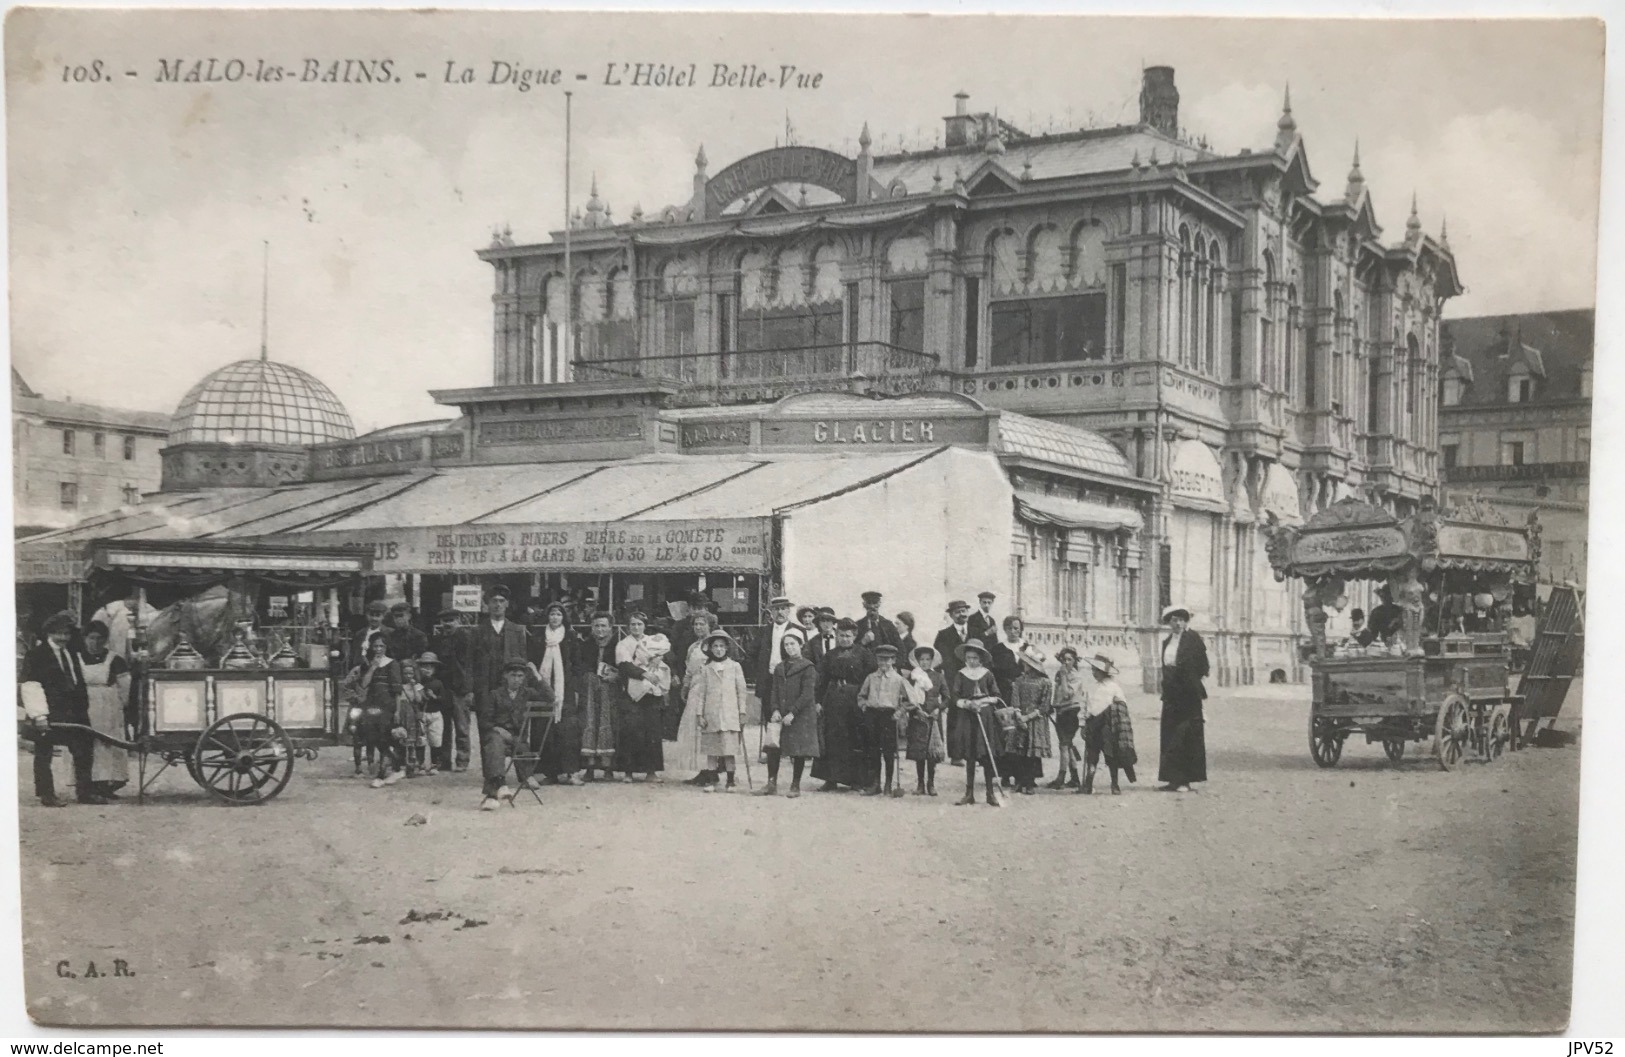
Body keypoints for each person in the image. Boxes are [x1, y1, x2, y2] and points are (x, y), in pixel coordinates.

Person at [19, 611, 102, 807]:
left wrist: (83, 705)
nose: (63, 638)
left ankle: (85, 792)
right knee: (44, 753)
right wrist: (39, 716)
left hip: (75, 711)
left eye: (66, 634)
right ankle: (47, 795)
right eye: (59, 634)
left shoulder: (71, 653)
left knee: (84, 750)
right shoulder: (37, 655)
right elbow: (30, 685)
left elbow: (77, 680)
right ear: (49, 633)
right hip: (50, 711)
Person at [478, 660, 554, 810]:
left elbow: (550, 697)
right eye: (513, 675)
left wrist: (537, 675)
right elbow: (484, 721)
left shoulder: (527, 693)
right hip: (498, 736)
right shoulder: (495, 695)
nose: (517, 679)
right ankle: (500, 785)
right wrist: (498, 729)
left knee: (494, 746)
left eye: (520, 676)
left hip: (518, 742)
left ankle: (494, 792)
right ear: (506, 676)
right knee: (494, 743)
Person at [810, 618, 874, 792]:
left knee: (855, 737)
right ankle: (830, 779)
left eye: (848, 635)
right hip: (834, 699)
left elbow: (871, 679)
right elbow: (820, 680)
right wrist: (817, 701)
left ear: (854, 636)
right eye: (841, 635)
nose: (844, 639)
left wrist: (866, 700)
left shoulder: (864, 653)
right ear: (836, 635)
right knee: (832, 737)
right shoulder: (830, 655)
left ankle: (856, 780)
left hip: (855, 698)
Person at [470, 586, 529, 771]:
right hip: (486, 688)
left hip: (511, 688)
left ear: (507, 604)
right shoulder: (478, 631)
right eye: (493, 601)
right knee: (487, 729)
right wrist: (471, 690)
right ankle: (492, 774)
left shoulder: (517, 630)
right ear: (487, 605)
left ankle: (523, 774)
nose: (497, 605)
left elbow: (523, 660)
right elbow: (470, 663)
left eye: (501, 601)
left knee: (518, 727)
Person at [1157, 606, 1209, 793]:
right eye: (1174, 620)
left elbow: (1204, 666)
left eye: (1181, 620)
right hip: (1171, 694)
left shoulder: (1193, 640)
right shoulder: (1167, 642)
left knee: (1186, 736)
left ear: (1186, 622)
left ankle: (1185, 780)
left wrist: (1191, 682)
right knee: (1170, 735)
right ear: (1169, 622)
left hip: (1188, 695)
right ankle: (1172, 779)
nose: (1177, 623)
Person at [77, 620, 131, 799]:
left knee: (107, 743)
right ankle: (88, 784)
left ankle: (108, 783)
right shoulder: (76, 658)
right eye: (91, 638)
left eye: (100, 639)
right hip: (84, 703)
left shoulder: (114, 659)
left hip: (108, 706)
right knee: (88, 744)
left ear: (106, 640)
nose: (95, 642)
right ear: (85, 639)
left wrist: (121, 706)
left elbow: (125, 686)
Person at [689, 630, 749, 793]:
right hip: (711, 714)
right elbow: (702, 693)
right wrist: (700, 714)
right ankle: (711, 780)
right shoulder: (707, 668)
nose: (718, 649)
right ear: (710, 648)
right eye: (715, 646)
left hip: (730, 714)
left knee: (729, 750)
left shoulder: (735, 666)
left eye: (722, 646)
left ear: (727, 648)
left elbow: (741, 691)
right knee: (711, 751)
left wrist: (742, 712)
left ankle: (730, 781)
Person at [948, 639, 1004, 808]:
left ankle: (990, 793)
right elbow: (955, 696)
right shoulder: (961, 674)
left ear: (980, 659)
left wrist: (983, 702)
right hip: (968, 717)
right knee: (970, 754)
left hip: (985, 717)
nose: (971, 661)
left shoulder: (987, 674)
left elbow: (996, 695)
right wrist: (967, 704)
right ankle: (969, 793)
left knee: (987, 755)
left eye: (975, 658)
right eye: (968, 657)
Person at [751, 596, 799, 792]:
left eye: (783, 608)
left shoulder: (798, 631)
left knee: (794, 730)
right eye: (776, 609)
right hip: (770, 684)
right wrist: (761, 674)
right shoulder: (764, 631)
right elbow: (752, 653)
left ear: (789, 611)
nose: (780, 612)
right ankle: (772, 781)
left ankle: (795, 784)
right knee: (772, 730)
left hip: (792, 684)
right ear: (770, 611)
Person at [613, 613, 666, 781]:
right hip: (631, 691)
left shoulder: (653, 641)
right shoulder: (623, 644)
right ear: (628, 626)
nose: (636, 627)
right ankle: (628, 771)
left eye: (639, 624)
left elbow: (668, 654)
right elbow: (625, 666)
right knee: (630, 730)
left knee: (652, 731)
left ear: (645, 625)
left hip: (651, 692)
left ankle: (651, 771)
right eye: (633, 624)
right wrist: (644, 674)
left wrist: (660, 657)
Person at [766, 630, 819, 797]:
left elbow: (807, 694)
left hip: (800, 715)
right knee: (773, 747)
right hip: (781, 714)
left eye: (793, 644)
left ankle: (795, 785)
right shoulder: (780, 667)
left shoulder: (808, 667)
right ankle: (771, 783)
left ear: (801, 645)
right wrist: (774, 709)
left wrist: (793, 713)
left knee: (798, 750)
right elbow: (774, 690)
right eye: (786, 644)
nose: (789, 648)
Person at [672, 610, 720, 785]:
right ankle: (703, 770)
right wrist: (685, 687)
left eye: (702, 624)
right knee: (694, 731)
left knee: (709, 729)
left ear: (710, 625)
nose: (698, 627)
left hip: (711, 692)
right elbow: (689, 671)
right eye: (696, 624)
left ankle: (713, 771)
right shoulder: (692, 647)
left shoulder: (716, 644)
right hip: (694, 691)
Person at [856, 643, 909, 798]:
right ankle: (875, 784)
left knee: (888, 752)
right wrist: (864, 706)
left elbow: (908, 701)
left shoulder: (899, 680)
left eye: (887, 660)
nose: (883, 663)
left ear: (893, 660)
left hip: (889, 716)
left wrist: (900, 712)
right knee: (873, 751)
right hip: (872, 716)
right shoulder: (871, 678)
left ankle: (888, 784)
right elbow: (861, 695)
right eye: (880, 659)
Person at [574, 613, 622, 781]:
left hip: (610, 691)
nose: (600, 630)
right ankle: (590, 767)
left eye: (603, 626)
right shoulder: (586, 646)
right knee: (589, 723)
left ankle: (608, 767)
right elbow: (579, 667)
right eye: (596, 626)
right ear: (592, 628)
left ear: (610, 628)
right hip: (590, 691)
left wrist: (616, 676)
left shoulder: (618, 646)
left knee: (608, 723)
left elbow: (623, 666)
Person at [1082, 653, 1138, 795]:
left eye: (1096, 670)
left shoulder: (1114, 687)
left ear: (1103, 672)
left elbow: (1122, 705)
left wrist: (1113, 711)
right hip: (1093, 724)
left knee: (1111, 755)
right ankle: (1088, 783)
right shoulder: (1091, 687)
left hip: (1108, 726)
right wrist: (1083, 723)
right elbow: (1086, 706)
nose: (1094, 673)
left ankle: (1114, 783)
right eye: (1093, 670)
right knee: (1092, 754)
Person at [352, 637, 404, 787]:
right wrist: (373, 667)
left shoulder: (392, 664)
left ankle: (381, 775)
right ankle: (396, 767)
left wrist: (398, 711)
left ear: (386, 647)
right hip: (372, 704)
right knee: (371, 735)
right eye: (375, 646)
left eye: (381, 646)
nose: (378, 649)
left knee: (383, 736)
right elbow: (364, 684)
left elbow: (397, 691)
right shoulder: (368, 664)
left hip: (387, 705)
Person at [429, 610, 473, 772]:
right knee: (443, 727)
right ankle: (444, 761)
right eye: (444, 621)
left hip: (461, 688)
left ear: (459, 620)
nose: (447, 624)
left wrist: (469, 686)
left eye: (451, 620)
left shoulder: (467, 638)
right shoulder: (437, 640)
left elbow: (471, 664)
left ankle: (462, 760)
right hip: (443, 688)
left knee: (462, 726)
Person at [933, 600, 975, 765]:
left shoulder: (975, 631)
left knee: (973, 715)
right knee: (955, 717)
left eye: (964, 611)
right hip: (953, 681)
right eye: (957, 612)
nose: (962, 614)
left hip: (974, 679)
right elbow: (939, 660)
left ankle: (973, 752)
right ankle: (956, 755)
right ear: (951, 615)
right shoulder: (943, 635)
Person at [1007, 647, 1054, 794]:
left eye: (1026, 663)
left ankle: (1029, 782)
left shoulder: (1045, 683)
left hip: (1036, 720)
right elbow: (1015, 700)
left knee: (1032, 753)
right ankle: (1020, 781)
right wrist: (1018, 714)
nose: (1024, 665)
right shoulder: (1019, 681)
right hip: (1020, 718)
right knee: (1020, 751)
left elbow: (1045, 706)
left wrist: (1028, 717)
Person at [903, 645, 947, 796]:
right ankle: (920, 783)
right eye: (921, 659)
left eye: (928, 659)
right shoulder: (913, 676)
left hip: (933, 717)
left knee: (932, 752)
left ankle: (931, 783)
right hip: (918, 716)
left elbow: (947, 698)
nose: (925, 662)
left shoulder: (938, 677)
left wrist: (938, 709)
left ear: (933, 661)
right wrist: (915, 709)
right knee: (919, 751)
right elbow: (906, 696)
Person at [1048, 647, 1087, 790]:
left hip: (1072, 712)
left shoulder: (1076, 677)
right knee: (1067, 745)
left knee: (1064, 745)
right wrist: (1053, 705)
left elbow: (1066, 694)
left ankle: (1061, 777)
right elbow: (1057, 693)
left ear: (1075, 661)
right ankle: (1075, 777)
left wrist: (1063, 677)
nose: (1066, 662)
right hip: (1061, 712)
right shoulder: (1060, 674)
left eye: (1069, 659)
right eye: (1064, 659)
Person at [415, 652, 447, 776]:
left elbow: (444, 700)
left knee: (435, 740)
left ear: (434, 669)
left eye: (430, 667)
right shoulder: (418, 684)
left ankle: (434, 764)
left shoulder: (438, 683)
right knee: (421, 739)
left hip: (435, 714)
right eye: (424, 667)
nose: (427, 670)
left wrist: (434, 696)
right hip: (422, 714)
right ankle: (421, 764)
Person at [352, 600, 390, 668]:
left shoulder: (389, 633)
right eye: (371, 615)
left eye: (378, 615)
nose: (374, 618)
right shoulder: (360, 634)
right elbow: (356, 655)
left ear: (383, 616)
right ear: (367, 615)